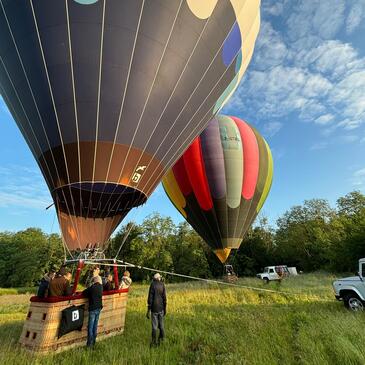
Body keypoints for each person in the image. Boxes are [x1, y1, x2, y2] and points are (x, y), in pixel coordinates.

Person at [146, 273, 167, 347]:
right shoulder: (162, 285)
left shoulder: (152, 285)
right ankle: (162, 339)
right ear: (158, 278)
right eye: (160, 277)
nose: (160, 278)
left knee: (154, 326)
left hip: (154, 308)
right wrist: (165, 308)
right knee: (161, 325)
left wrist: (148, 310)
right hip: (161, 308)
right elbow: (164, 298)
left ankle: (154, 341)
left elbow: (150, 298)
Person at [83, 275, 103, 347]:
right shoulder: (101, 287)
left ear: (95, 281)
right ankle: (94, 342)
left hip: (93, 309)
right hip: (98, 308)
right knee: (95, 326)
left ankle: (89, 345)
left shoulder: (93, 287)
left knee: (90, 327)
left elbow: (84, 293)